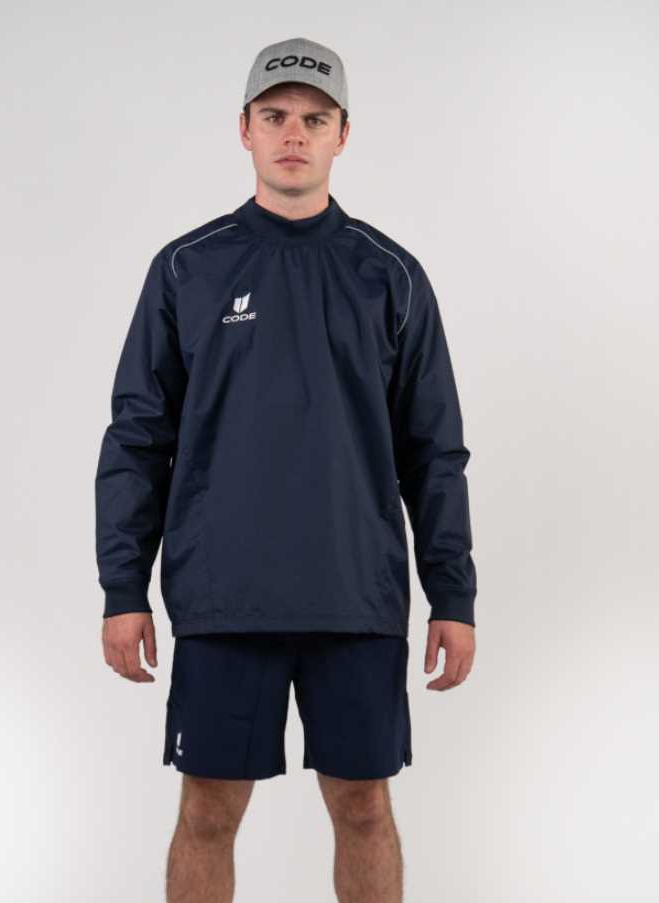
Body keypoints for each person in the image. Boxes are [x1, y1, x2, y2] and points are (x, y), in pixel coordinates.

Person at [94, 36, 477, 903]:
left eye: (313, 118)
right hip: (223, 598)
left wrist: (452, 595)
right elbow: (137, 438)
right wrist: (123, 587)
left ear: (343, 133)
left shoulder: (390, 275)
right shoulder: (187, 268)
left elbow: (433, 451)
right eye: (274, 116)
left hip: (356, 598)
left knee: (364, 808)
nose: (293, 134)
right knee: (206, 811)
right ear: (244, 129)